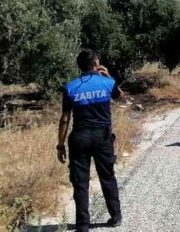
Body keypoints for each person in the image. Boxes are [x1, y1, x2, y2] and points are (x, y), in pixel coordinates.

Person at [56, 50, 123, 231]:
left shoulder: (70, 87)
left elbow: (64, 119)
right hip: (102, 137)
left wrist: (60, 145)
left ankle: (83, 225)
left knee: (80, 182)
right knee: (107, 176)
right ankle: (115, 217)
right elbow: (119, 96)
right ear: (95, 64)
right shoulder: (107, 83)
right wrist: (108, 75)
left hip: (79, 137)